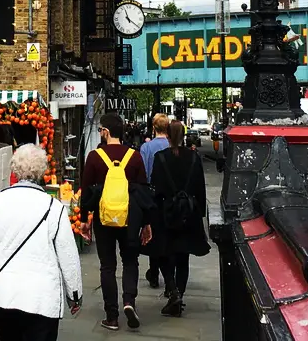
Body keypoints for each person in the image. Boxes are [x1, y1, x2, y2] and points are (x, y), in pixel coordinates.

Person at [0, 144, 83, 340]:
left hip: (5, 295)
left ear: (15, 170)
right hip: (43, 298)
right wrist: (75, 295)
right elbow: (68, 256)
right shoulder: (54, 207)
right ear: (42, 170)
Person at [79, 113, 147, 331]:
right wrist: (146, 223)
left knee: (107, 266)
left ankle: (112, 316)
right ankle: (129, 302)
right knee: (130, 262)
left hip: (103, 219)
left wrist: (83, 220)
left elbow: (86, 191)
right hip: (129, 219)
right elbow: (143, 192)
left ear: (106, 132)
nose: (100, 133)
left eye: (100, 130)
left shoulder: (94, 156)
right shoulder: (134, 156)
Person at [151, 120, 210, 318]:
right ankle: (179, 294)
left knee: (163, 253)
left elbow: (156, 188)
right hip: (189, 213)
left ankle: (172, 289)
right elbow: (200, 188)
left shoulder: (160, 158)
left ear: (167, 135)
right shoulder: (194, 158)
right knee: (183, 256)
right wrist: (199, 212)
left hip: (166, 212)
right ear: (184, 135)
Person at [138, 113, 172, 293]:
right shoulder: (173, 146)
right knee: (167, 235)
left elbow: (142, 173)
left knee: (152, 233)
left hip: (151, 195)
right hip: (169, 197)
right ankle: (170, 280)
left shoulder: (146, 147)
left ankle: (154, 273)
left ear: (153, 127)